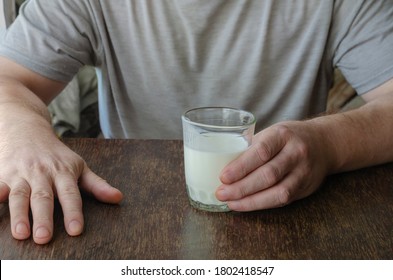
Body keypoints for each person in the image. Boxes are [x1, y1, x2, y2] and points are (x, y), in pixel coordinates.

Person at [1, 0, 393, 245]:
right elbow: (8, 79)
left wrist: (329, 144)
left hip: (291, 224)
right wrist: (24, 133)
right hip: (130, 211)